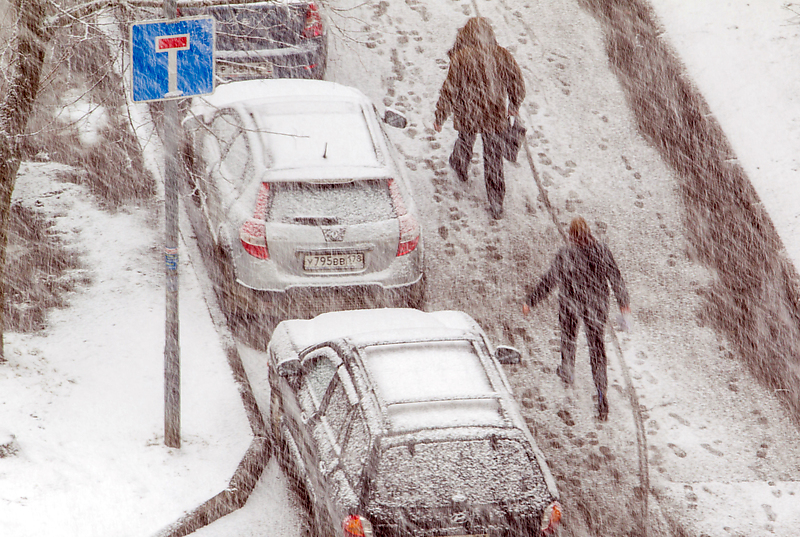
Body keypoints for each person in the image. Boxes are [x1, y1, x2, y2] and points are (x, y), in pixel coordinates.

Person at [522, 217, 630, 420]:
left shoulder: (566, 254)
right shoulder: (602, 251)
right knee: (597, 349)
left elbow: (549, 280)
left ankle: (567, 370)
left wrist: (531, 301)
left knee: (568, 338)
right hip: (596, 305)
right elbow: (615, 277)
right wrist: (623, 304)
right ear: (589, 232)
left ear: (571, 236)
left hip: (571, 304)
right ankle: (601, 395)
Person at [433, 17, 525, 220]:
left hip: (468, 113)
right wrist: (514, 104)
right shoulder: (501, 55)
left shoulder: (461, 58)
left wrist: (440, 115)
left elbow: (449, 90)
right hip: (494, 115)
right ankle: (496, 202)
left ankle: (459, 165)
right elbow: (517, 81)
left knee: (465, 140)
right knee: (493, 158)